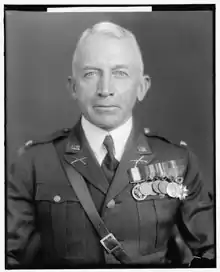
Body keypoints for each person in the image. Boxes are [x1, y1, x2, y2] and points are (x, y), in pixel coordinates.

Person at [7, 21, 214, 268]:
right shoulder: (33, 162)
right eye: (91, 73)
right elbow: (7, 256)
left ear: (142, 87)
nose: (105, 89)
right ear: (73, 87)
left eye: (120, 73)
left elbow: (212, 254)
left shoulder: (179, 161)